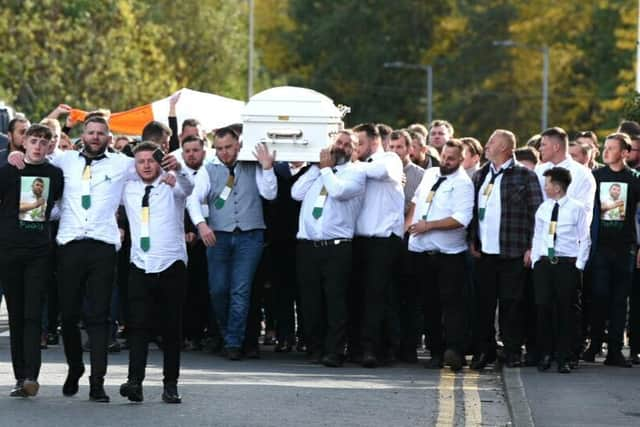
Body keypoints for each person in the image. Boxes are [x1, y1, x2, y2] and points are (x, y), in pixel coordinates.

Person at [8, 116, 178, 402]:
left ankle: (97, 382)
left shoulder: (122, 164)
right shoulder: (65, 160)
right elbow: (36, 152)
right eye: (91, 132)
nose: (96, 137)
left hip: (102, 247)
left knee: (98, 318)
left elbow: (150, 161)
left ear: (109, 138)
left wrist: (172, 171)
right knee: (70, 316)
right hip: (69, 245)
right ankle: (75, 367)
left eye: (101, 133)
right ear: (83, 136)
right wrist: (14, 154)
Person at [187, 126, 277, 360]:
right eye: (219, 149)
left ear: (238, 144)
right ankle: (229, 336)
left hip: (250, 234)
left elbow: (269, 194)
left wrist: (267, 168)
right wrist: (201, 224)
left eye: (228, 147)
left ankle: (234, 343)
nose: (224, 152)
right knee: (218, 290)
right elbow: (193, 200)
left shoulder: (252, 164)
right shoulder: (209, 169)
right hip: (219, 235)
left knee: (241, 290)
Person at [118, 141, 193, 404]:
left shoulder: (172, 183)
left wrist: (179, 170)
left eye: (151, 160)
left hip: (171, 264)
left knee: (171, 329)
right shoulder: (128, 187)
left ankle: (170, 384)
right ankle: (134, 382)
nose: (147, 165)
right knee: (137, 327)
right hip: (140, 264)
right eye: (141, 161)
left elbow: (188, 188)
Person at [469, 129, 543, 369]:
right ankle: (485, 350)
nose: (486, 146)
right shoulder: (481, 175)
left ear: (504, 147)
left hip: (513, 250)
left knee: (512, 303)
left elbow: (537, 213)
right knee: (483, 304)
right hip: (484, 252)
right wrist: (472, 239)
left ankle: (512, 351)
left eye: (491, 142)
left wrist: (532, 246)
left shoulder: (524, 176)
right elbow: (472, 211)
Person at [291, 132, 365, 366]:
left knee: (335, 300)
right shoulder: (318, 172)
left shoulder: (355, 173)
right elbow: (296, 193)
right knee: (310, 300)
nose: (341, 148)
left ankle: (334, 350)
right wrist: (316, 168)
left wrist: (325, 170)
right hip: (308, 247)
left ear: (354, 151)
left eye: (347, 145)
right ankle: (314, 347)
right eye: (338, 143)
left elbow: (338, 192)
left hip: (337, 247)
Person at [0, 124, 63, 397]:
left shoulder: (55, 174)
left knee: (33, 314)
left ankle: (31, 376)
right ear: (23, 142)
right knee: (16, 315)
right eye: (34, 140)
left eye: (43, 142)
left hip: (39, 251)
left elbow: (59, 204)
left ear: (50, 146)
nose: (38, 146)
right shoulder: (7, 171)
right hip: (10, 250)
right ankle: (18, 376)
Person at [406, 139, 474, 371]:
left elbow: (461, 219)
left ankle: (454, 350)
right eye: (445, 156)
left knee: (452, 305)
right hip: (421, 251)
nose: (446, 161)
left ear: (461, 160)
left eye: (451, 158)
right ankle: (436, 352)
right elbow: (415, 202)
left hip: (448, 255)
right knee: (429, 305)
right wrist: (407, 228)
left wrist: (429, 226)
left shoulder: (463, 184)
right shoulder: (431, 173)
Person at [583, 133, 640, 367]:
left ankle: (615, 351)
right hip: (600, 248)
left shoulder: (634, 179)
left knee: (619, 301)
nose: (605, 152)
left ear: (625, 153)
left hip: (625, 247)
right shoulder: (595, 177)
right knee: (599, 296)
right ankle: (594, 344)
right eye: (605, 147)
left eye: (612, 148)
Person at [350, 123, 404, 368]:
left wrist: (352, 164)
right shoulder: (358, 167)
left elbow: (381, 171)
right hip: (360, 240)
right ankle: (359, 346)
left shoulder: (389, 158)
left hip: (383, 240)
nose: (355, 148)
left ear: (373, 142)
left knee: (376, 295)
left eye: (358, 143)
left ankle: (374, 348)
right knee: (359, 294)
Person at [531, 167, 590, 373]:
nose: (545, 187)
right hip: (545, 264)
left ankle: (565, 356)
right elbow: (538, 235)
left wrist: (578, 265)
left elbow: (584, 238)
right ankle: (546, 353)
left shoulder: (576, 208)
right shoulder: (543, 208)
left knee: (566, 311)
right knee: (543, 308)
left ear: (557, 187)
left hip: (566, 263)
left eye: (547, 183)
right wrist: (536, 260)